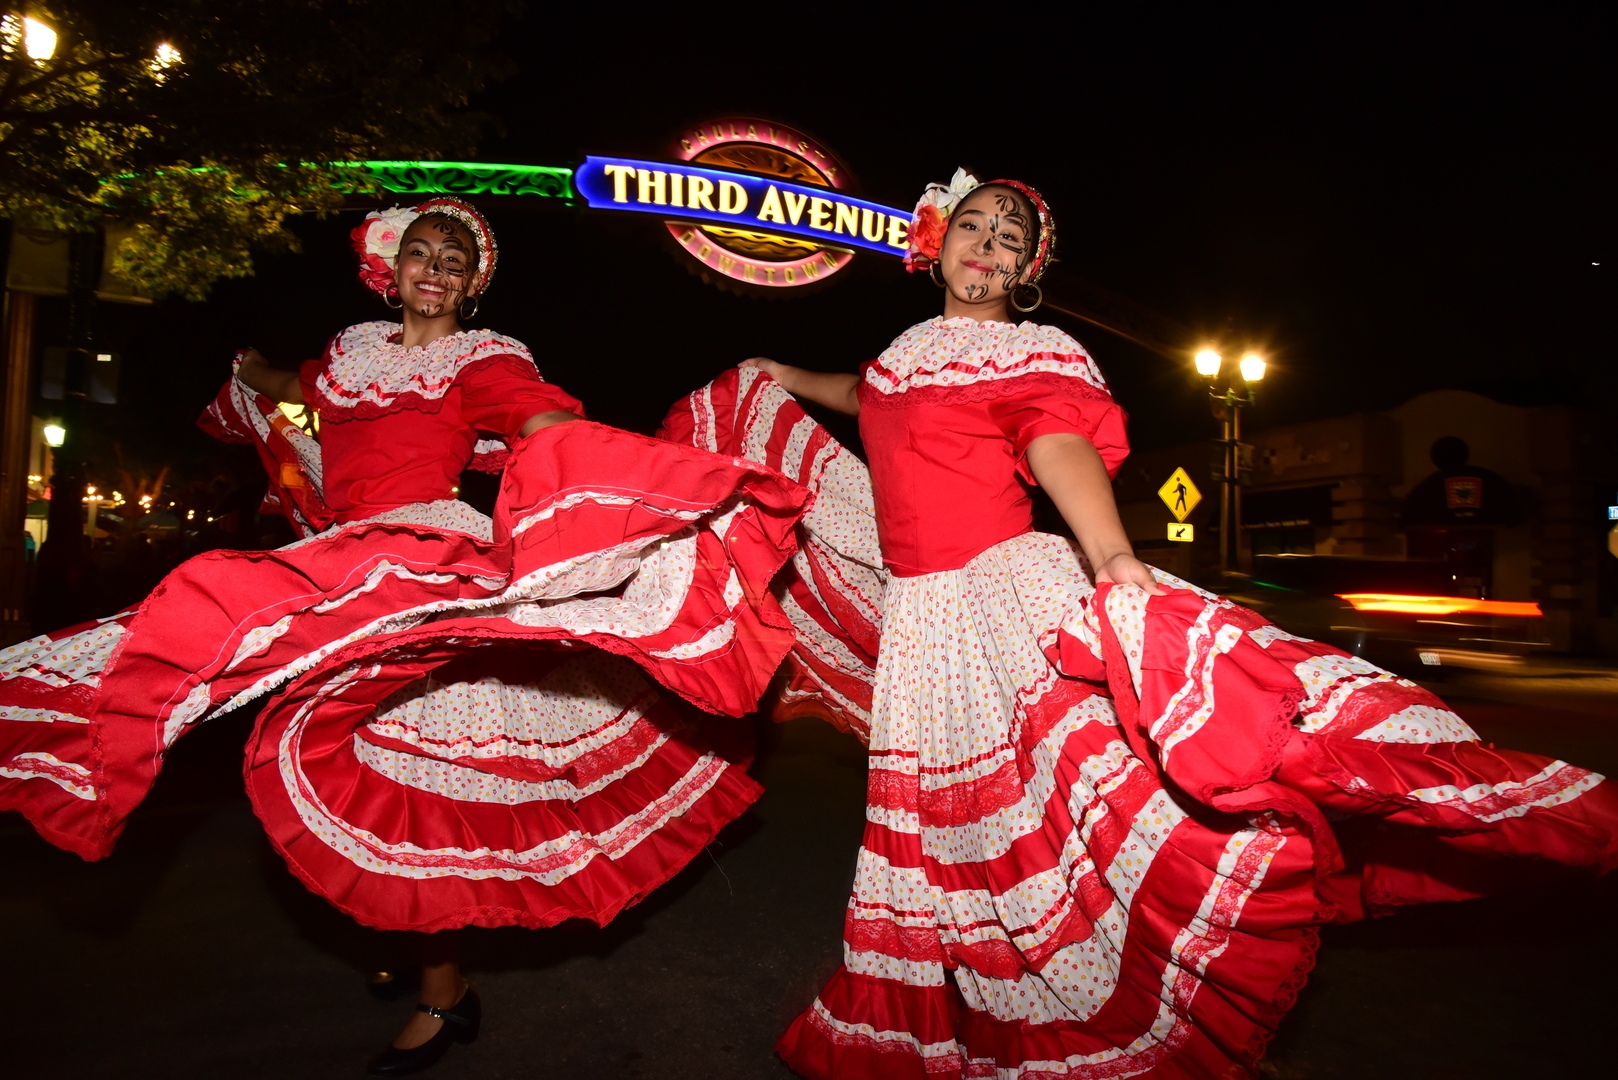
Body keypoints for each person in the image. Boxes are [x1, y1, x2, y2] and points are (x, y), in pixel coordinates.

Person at [667, 169, 1618, 1079]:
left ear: (1026, 272)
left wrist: (1111, 553)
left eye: (1010, 238)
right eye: (975, 224)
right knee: (941, 827)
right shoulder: (901, 354)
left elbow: (1055, 438)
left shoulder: (1025, 353)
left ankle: (1109, 987)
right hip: (922, 621)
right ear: (937, 239)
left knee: (1069, 799)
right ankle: (952, 1010)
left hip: (994, 597)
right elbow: (863, 397)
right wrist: (782, 373)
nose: (988, 244)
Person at [0, 198, 807, 1076]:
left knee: (413, 786)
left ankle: (443, 992)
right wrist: (249, 368)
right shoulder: (352, 352)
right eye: (421, 252)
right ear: (390, 270)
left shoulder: (482, 358)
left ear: (470, 286)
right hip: (347, 562)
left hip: (424, 568)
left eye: (454, 261)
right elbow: (297, 386)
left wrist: (643, 477)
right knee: (337, 749)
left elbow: (540, 419)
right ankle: (406, 939)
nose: (435, 268)